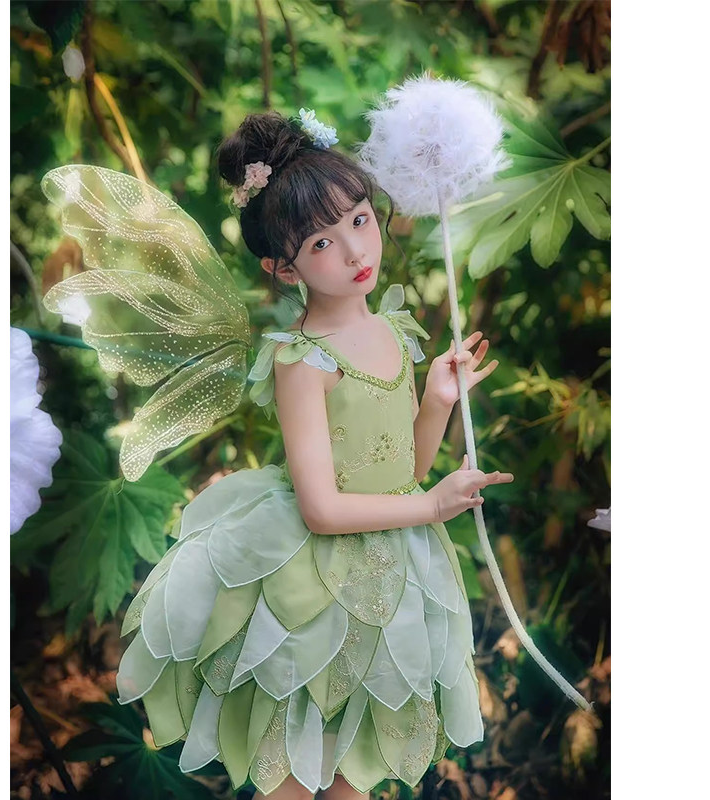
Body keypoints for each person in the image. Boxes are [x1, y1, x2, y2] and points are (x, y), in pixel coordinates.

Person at [107, 110, 514, 800]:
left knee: (357, 766)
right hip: (312, 576)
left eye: (360, 219)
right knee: (294, 767)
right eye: (322, 242)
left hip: (390, 572)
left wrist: (437, 401)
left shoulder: (395, 331)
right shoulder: (303, 361)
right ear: (281, 266)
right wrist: (431, 508)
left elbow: (406, 471)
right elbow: (322, 508)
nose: (355, 251)